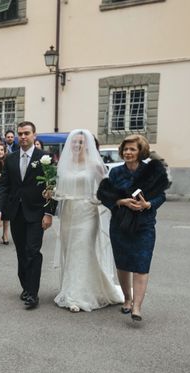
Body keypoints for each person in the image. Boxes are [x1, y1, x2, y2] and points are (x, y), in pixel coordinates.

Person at [97, 134, 169, 322]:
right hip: (120, 224)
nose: (128, 152)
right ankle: (127, 299)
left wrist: (148, 205)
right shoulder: (115, 173)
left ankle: (137, 306)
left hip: (144, 225)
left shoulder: (152, 172)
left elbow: (162, 196)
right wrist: (120, 201)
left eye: (132, 149)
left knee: (141, 265)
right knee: (122, 264)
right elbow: (105, 196)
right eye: (126, 149)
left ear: (140, 151)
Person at [53, 130, 123, 312]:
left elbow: (107, 188)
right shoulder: (64, 165)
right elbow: (58, 188)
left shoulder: (94, 165)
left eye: (81, 143)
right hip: (69, 212)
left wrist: (99, 200)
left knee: (83, 250)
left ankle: (78, 296)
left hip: (87, 212)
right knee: (70, 251)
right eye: (74, 142)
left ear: (88, 145)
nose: (77, 146)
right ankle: (70, 290)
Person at [0, 121, 57, 309]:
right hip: (16, 213)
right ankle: (26, 286)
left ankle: (33, 293)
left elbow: (51, 186)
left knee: (32, 251)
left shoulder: (44, 157)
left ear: (34, 135)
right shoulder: (11, 158)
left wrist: (48, 213)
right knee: (21, 252)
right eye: (20, 133)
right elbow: (4, 185)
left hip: (37, 213)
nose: (22, 137)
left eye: (26, 133)